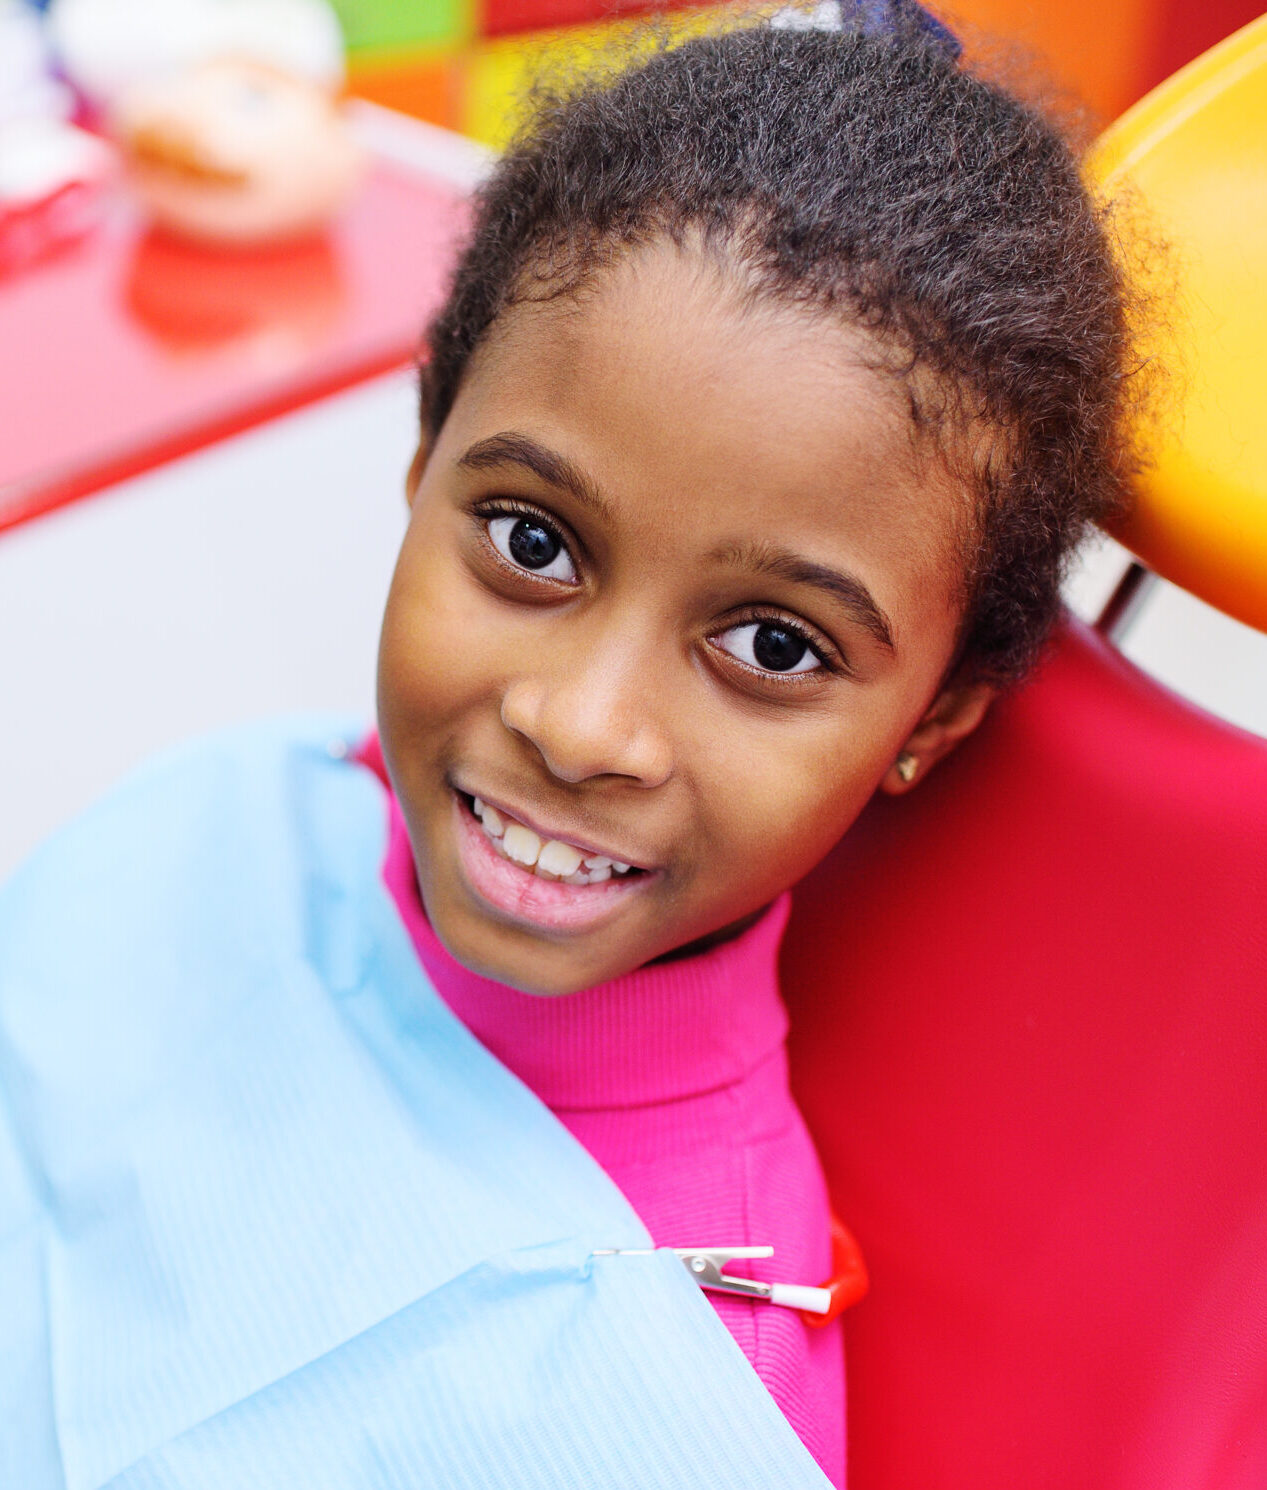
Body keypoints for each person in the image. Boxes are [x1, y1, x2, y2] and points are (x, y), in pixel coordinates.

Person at [0, 7, 1147, 1488]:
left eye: (774, 646)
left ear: (929, 717)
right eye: (534, 541)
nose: (578, 722)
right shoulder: (228, 829)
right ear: (423, 458)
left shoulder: (686, 1388)